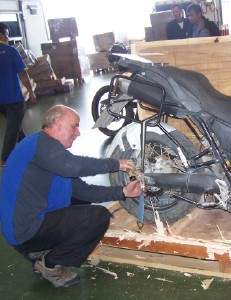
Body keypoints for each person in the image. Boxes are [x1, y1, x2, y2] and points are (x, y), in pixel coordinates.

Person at [0, 105, 142, 288]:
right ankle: (50, 264)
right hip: (25, 231)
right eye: (74, 126)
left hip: (29, 224)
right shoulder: (41, 145)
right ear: (57, 124)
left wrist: (122, 192)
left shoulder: (52, 155)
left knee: (82, 199)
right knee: (97, 217)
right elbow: (73, 167)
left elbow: (84, 191)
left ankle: (42, 250)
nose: (78, 133)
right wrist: (115, 164)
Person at [0, 22, 36, 166]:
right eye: (7, 35)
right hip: (13, 98)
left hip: (1, 102)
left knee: (16, 125)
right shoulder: (10, 51)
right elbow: (23, 74)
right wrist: (31, 92)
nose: (8, 38)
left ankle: (27, 149)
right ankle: (4, 158)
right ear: (2, 35)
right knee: (13, 128)